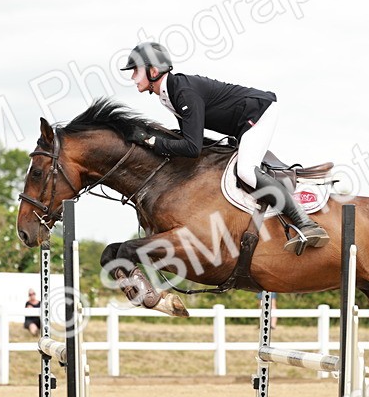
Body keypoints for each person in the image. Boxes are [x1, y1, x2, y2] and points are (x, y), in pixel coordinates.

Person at [120, 42, 329, 252]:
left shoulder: (182, 92)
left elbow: (192, 148)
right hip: (240, 123)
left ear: (153, 71)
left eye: (136, 71)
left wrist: (151, 142)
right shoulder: (168, 96)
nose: (132, 77)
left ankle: (307, 224)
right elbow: (190, 138)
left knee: (246, 172)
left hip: (259, 112)